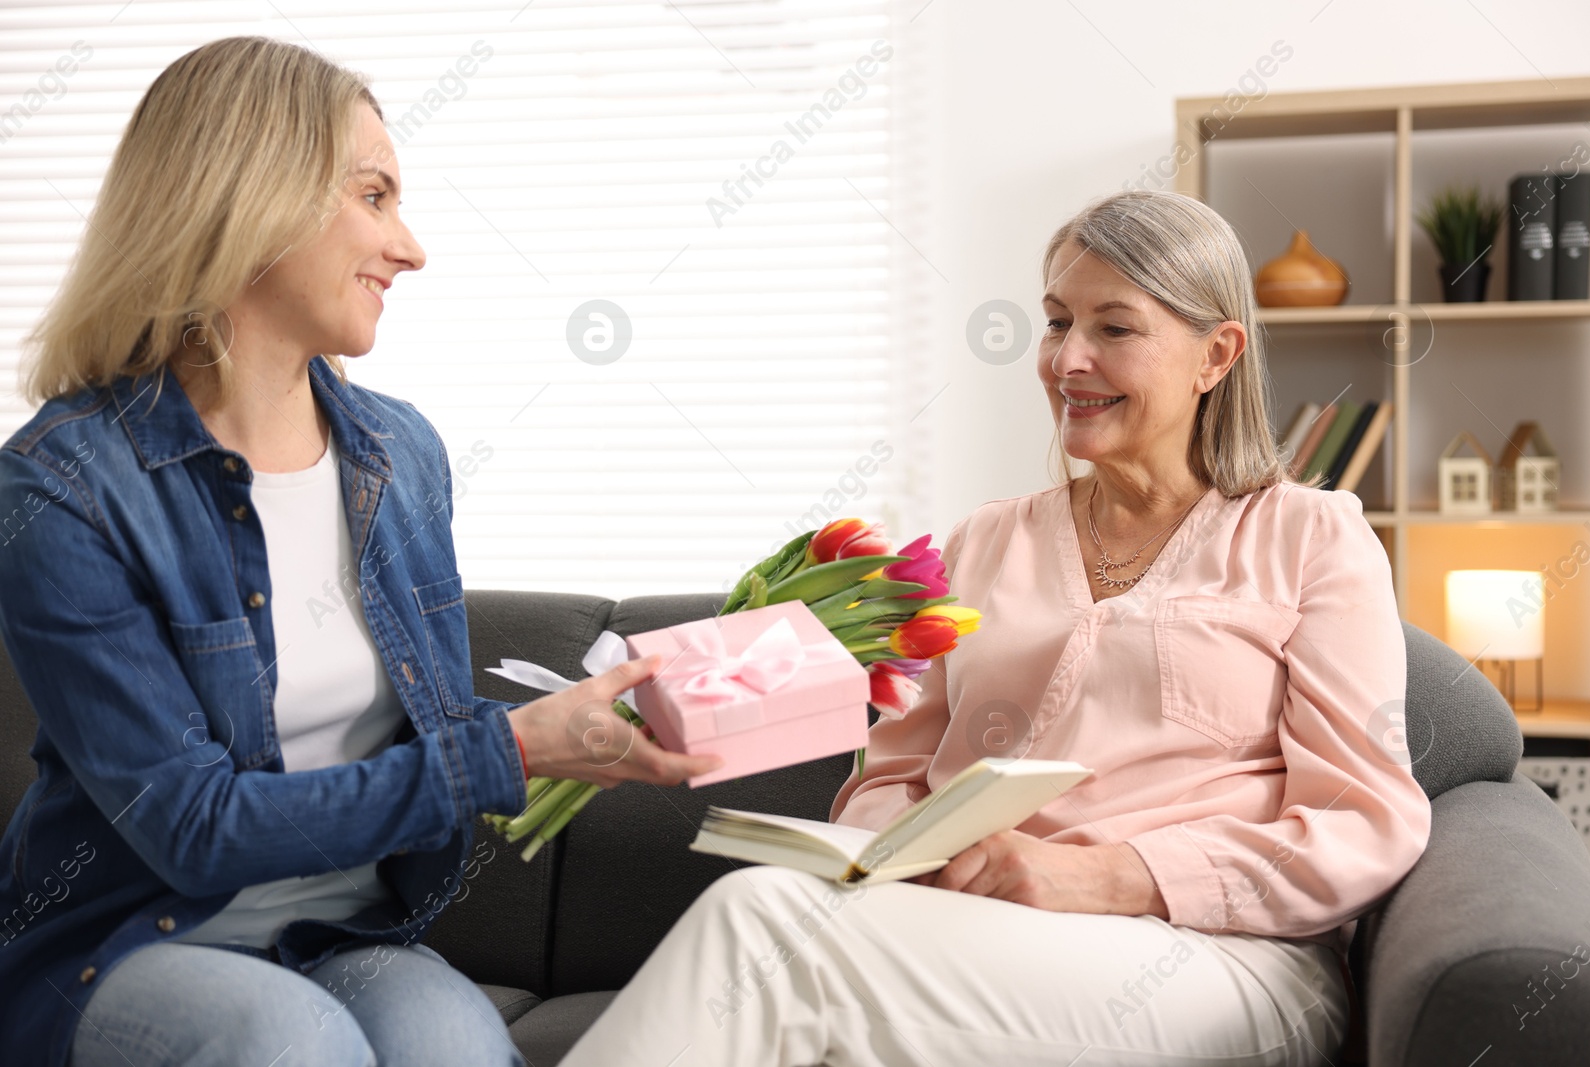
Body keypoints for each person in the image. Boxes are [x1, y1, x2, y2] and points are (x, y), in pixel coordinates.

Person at [555, 190, 1433, 1067]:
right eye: (1056, 322)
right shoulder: (986, 541)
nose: (1068, 359)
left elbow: (1366, 821)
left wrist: (1109, 875)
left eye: (1114, 329)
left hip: (1215, 957)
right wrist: (904, 850)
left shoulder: (1312, 537)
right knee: (778, 915)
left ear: (1217, 353)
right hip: (977, 930)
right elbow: (892, 772)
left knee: (764, 925)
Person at [0, 37, 721, 1067]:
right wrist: (513, 751)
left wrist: (588, 724)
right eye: (374, 197)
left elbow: (421, 727)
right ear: (252, 195)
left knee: (457, 1047)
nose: (411, 246)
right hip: (129, 944)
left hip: (345, 929)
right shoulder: (65, 485)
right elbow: (193, 826)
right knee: (295, 1041)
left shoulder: (400, 452)